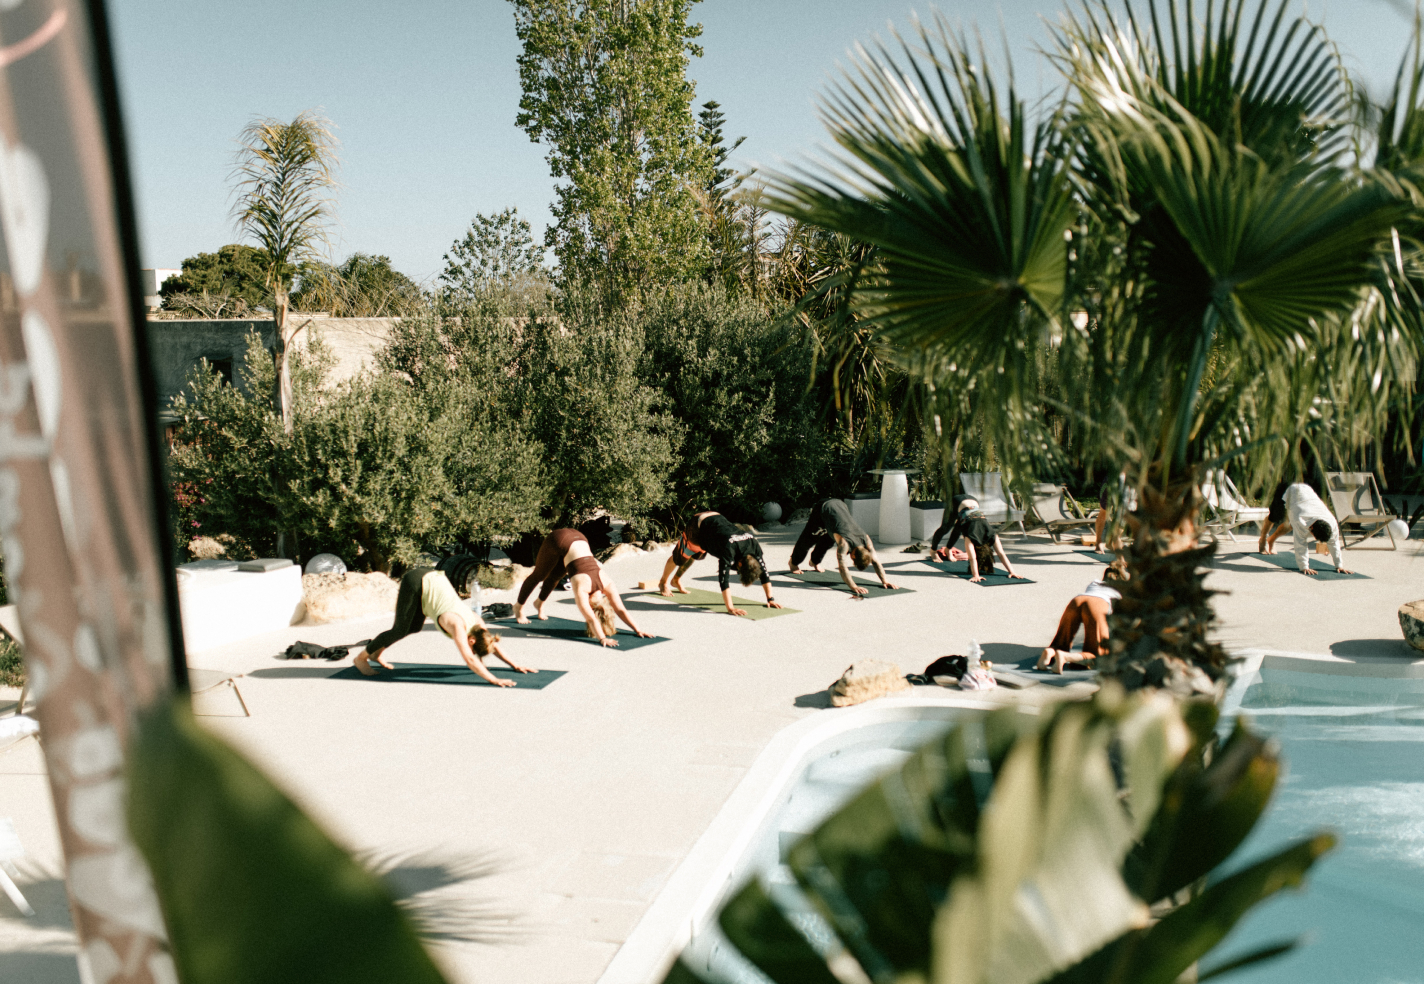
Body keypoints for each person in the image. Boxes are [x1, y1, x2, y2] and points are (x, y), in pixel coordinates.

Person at [353, 567, 533, 683]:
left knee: (413, 627)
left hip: (433, 580)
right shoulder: (457, 625)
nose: (474, 653)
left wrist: (515, 665)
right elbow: (470, 660)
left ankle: (376, 653)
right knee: (400, 629)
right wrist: (495, 679)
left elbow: (493, 644)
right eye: (475, 650)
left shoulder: (478, 624)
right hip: (417, 581)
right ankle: (361, 658)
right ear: (471, 642)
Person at [515, 528, 652, 646]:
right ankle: (518, 607)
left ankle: (539, 603)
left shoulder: (607, 584)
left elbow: (620, 610)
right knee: (539, 575)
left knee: (556, 577)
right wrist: (602, 638)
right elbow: (594, 618)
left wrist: (637, 629)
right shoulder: (584, 589)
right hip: (558, 539)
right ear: (594, 606)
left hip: (579, 537)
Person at [658, 511, 785, 617]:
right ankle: (663, 582)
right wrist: (730, 608)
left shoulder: (754, 546)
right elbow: (724, 580)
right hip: (698, 525)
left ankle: (676, 580)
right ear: (739, 565)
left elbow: (765, 573)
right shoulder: (729, 550)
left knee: (697, 553)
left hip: (715, 522)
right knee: (680, 558)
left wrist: (770, 599)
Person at [787, 497, 900, 595]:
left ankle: (815, 562)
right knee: (809, 539)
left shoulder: (866, 540)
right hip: (824, 507)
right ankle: (793, 563)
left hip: (840, 506)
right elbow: (842, 567)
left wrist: (885, 581)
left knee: (828, 541)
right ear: (854, 556)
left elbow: (876, 561)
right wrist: (853, 586)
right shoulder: (844, 544)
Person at [1037, 562, 1128, 673]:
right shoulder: (1122, 590)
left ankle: (1050, 652)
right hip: (1098, 605)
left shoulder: (1095, 582)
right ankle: (1065, 657)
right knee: (1099, 655)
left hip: (1077, 600)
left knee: (1061, 640)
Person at [930, 496, 1026, 582]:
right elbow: (973, 558)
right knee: (945, 528)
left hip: (973, 501)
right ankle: (933, 551)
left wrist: (1012, 572)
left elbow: (1001, 555)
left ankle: (948, 549)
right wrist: (976, 575)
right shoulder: (971, 537)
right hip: (956, 502)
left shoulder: (992, 535)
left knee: (960, 527)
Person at [1278, 483, 1353, 576]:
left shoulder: (1332, 522)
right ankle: (1267, 538)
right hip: (1291, 492)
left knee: (1293, 527)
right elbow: (1300, 544)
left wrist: (1339, 565)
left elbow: (1334, 543)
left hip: (1308, 491)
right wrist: (1304, 567)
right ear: (1312, 528)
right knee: (1277, 519)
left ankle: (1271, 539)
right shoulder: (1299, 519)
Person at [1093, 472, 1137, 553]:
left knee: (1124, 512)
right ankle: (1098, 542)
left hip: (1129, 482)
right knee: (1104, 511)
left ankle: (1114, 540)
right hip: (1111, 480)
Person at [1257, 478, 1291, 554]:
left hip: (1303, 487)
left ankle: (1271, 540)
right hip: (1286, 485)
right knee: (1274, 517)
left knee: (1292, 522)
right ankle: (1263, 538)